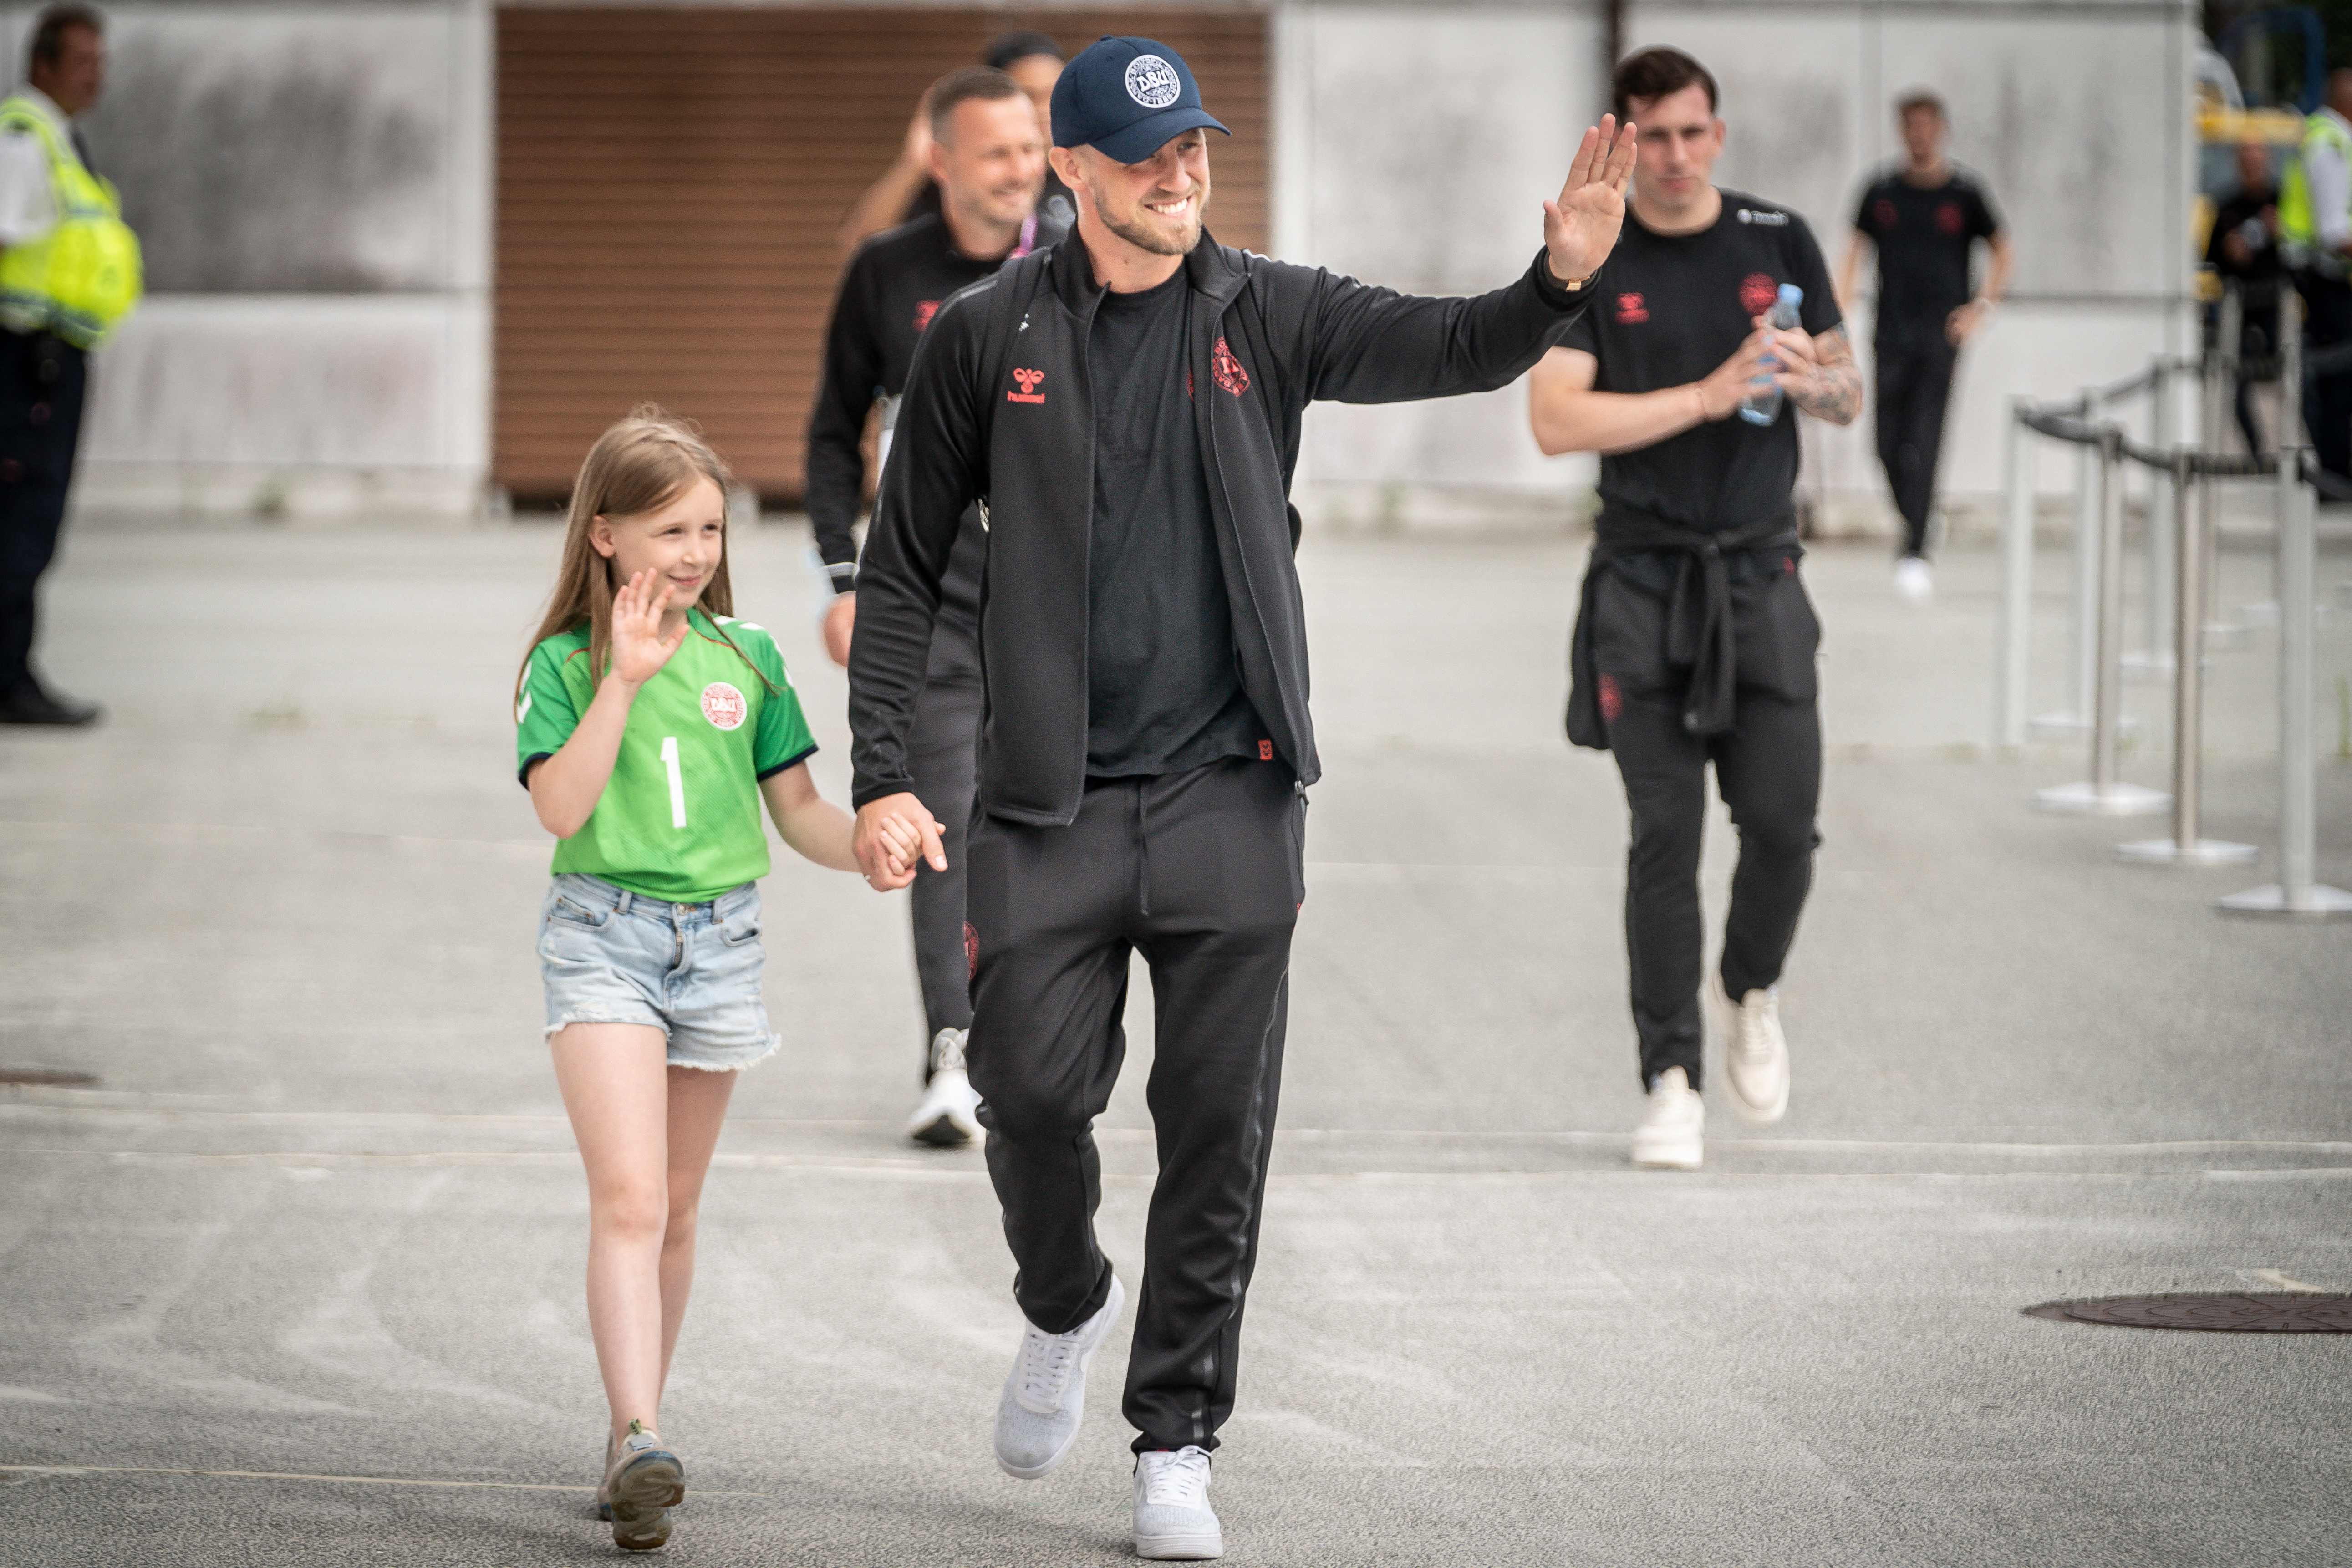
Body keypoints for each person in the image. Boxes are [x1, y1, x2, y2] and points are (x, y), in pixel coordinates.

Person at [845, 34, 1636, 1559]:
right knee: (1019, 1091)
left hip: (1229, 790)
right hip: (1043, 805)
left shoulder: (1264, 309)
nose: (1180, 172)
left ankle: (1174, 1438)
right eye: (1145, 157)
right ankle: (1063, 1301)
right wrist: (885, 775)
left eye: (1193, 147)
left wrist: (1551, 286)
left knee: (1215, 1129)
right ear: (1070, 171)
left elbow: (1450, 344)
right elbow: (898, 577)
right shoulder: (978, 333)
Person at [514, 410, 919, 1553]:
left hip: (722, 946)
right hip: (603, 936)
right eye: (668, 530)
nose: (694, 552)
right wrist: (624, 684)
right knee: (630, 1199)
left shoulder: (750, 658)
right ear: (604, 537)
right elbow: (562, 807)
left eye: (708, 527)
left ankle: (629, 1441)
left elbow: (797, 814)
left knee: (679, 1210)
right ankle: (641, 1433)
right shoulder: (564, 665)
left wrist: (870, 846)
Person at [1528, 46, 1860, 1172]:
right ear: (1621, 137)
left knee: (1784, 829)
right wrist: (1708, 395)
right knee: (1662, 842)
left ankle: (1748, 989)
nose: (1673, 157)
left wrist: (1807, 378)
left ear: (1718, 132)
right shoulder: (1589, 248)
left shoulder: (1778, 235)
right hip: (1643, 583)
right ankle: (1669, 1079)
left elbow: (1848, 390)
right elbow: (1557, 422)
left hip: (1761, 580)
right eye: (1652, 135)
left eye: (1691, 133)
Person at [806, 65, 1065, 1146]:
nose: (1019, 170)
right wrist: (842, 577)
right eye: (995, 151)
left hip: (1059, 601)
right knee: (938, 821)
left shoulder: (1074, 259)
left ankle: (1040, 1046)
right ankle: (951, 1054)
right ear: (941, 161)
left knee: (1065, 823)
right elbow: (832, 433)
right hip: (936, 596)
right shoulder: (887, 270)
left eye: (1029, 148)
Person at [0, 2, 139, 727]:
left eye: (101, 62)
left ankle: (13, 674)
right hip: (26, 362)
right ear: (42, 66)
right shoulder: (24, 141)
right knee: (21, 522)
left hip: (47, 361)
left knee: (31, 521)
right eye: (83, 62)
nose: (96, 76)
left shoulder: (56, 138)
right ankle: (8, 682)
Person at [1834, 88, 2008, 601]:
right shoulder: (1881, 191)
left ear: (1941, 129)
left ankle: (1914, 550)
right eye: (1911, 125)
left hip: (1940, 334)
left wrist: (1982, 307)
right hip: (1890, 331)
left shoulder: (1965, 194)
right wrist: (1837, 314)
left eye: (1928, 125)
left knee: (1926, 436)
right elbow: (1853, 253)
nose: (1920, 134)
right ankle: (1921, 519)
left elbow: (2003, 249)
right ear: (1902, 130)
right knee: (1886, 443)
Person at [835, 31, 1074, 254]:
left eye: (1054, 93)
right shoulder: (958, 179)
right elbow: (863, 246)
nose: (1045, 109)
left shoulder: (1084, 169)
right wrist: (914, 163)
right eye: (1029, 95)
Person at [2279, 68, 2352, 483]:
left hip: (2320, 276)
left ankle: (2333, 467)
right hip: (2325, 277)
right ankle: (2334, 471)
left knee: (2332, 378)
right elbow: (2333, 232)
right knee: (2337, 379)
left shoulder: (2322, 134)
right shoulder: (2331, 142)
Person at [2205, 139, 2283, 455]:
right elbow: (2210, 259)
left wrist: (2281, 231)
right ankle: (2256, 449)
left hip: (2278, 302)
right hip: (2238, 303)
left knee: (2298, 373)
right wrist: (2230, 250)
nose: (2253, 168)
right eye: (2247, 160)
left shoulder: (2283, 201)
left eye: (2258, 159)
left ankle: (2303, 450)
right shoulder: (2226, 208)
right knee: (2235, 379)